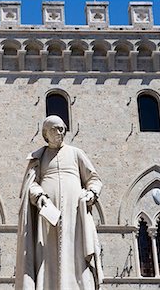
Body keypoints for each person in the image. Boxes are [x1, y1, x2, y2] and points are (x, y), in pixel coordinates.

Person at [15, 115, 104, 290]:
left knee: (76, 252)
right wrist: (39, 196)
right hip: (48, 215)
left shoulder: (75, 153)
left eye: (62, 128)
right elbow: (31, 184)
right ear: (45, 134)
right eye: (55, 129)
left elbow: (94, 179)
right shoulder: (39, 158)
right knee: (47, 256)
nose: (60, 132)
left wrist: (92, 193)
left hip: (74, 212)